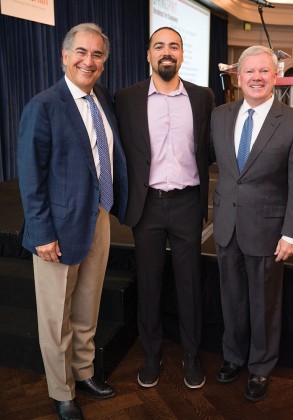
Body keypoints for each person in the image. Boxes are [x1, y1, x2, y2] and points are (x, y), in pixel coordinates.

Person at [17, 23, 128, 420]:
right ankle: (61, 391)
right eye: (81, 52)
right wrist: (42, 233)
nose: (89, 60)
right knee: (56, 316)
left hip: (98, 218)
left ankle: (84, 373)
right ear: (64, 56)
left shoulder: (103, 103)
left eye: (97, 54)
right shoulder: (43, 106)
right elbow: (31, 177)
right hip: (57, 231)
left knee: (87, 307)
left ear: (104, 62)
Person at [210, 45, 293, 402]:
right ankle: (234, 356)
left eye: (263, 72)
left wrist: (292, 233)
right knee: (232, 298)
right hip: (227, 225)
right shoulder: (220, 115)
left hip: (269, 231)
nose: (256, 77)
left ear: (275, 77)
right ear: (239, 78)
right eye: (249, 72)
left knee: (264, 302)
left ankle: (261, 366)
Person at [115, 27, 214, 389]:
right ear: (148, 55)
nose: (166, 52)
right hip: (148, 206)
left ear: (183, 55)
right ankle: (152, 354)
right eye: (159, 46)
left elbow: (211, 149)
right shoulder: (125, 98)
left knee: (190, 285)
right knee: (150, 285)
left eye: (174, 46)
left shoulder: (203, 97)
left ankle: (191, 355)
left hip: (188, 203)